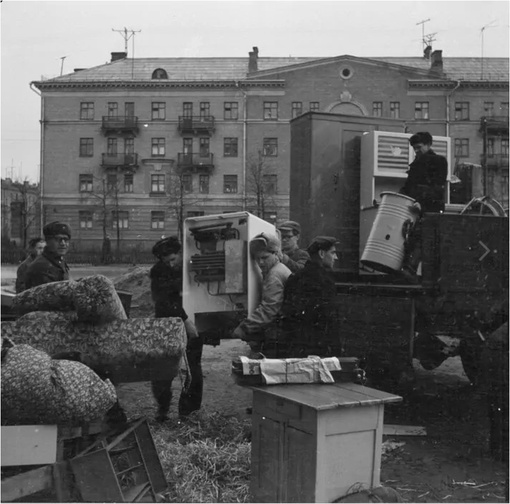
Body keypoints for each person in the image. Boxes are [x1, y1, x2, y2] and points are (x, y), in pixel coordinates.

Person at [149, 236, 202, 422]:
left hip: (191, 322)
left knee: (192, 368)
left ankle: (188, 413)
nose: (171, 264)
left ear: (180, 254)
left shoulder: (190, 267)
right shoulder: (158, 272)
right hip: (168, 324)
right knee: (163, 370)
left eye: (173, 260)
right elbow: (164, 301)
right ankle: (163, 409)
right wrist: (185, 321)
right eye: (167, 261)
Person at [279, 236, 341, 357]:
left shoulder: (296, 277)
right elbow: (330, 321)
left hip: (296, 348)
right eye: (333, 253)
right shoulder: (325, 282)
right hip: (320, 350)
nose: (336, 257)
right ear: (322, 253)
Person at [399, 132, 448, 279]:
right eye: (414, 148)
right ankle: (409, 270)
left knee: (421, 238)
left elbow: (437, 188)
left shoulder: (438, 161)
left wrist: (421, 201)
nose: (417, 151)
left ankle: (410, 270)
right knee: (414, 238)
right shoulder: (418, 163)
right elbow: (408, 186)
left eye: (419, 147)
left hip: (430, 208)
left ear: (428, 144)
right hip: (417, 207)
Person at [232, 233, 291, 351]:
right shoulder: (278, 269)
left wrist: (244, 328)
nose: (261, 263)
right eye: (257, 259)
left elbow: (269, 309)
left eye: (264, 258)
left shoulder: (274, 275)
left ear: (275, 254)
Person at [25, 222, 71, 290]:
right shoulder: (41, 266)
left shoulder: (57, 261)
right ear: (48, 241)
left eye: (66, 239)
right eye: (58, 239)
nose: (63, 243)